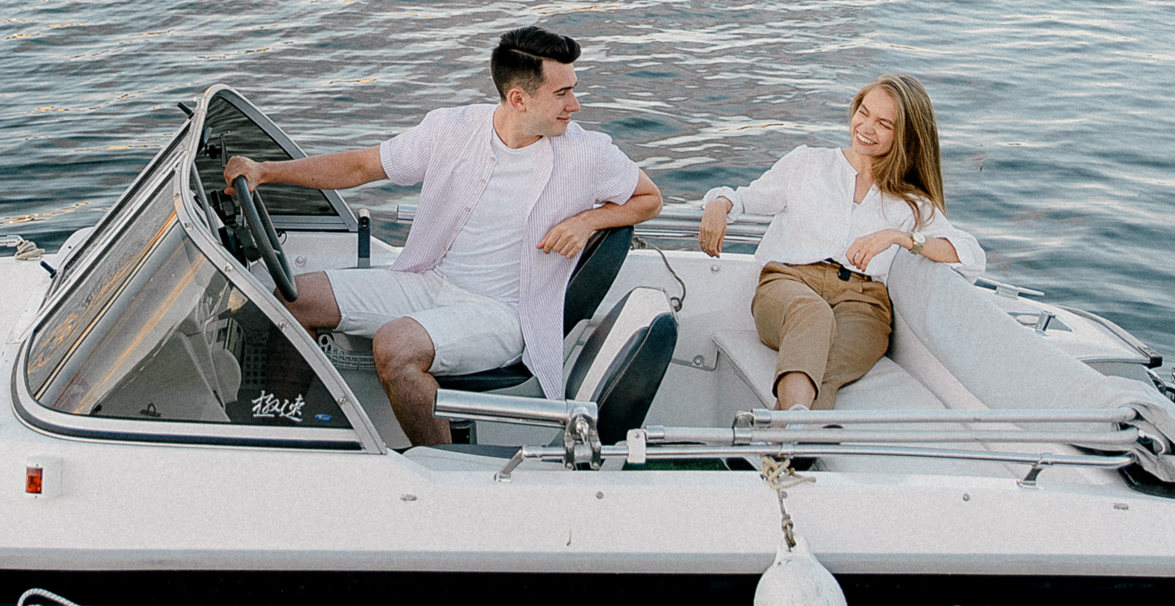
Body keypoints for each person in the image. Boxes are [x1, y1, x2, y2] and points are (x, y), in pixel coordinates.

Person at [223, 26, 662, 445]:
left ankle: (441, 464)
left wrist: (587, 221)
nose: (576, 105)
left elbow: (649, 198)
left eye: (573, 89)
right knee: (292, 299)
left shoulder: (588, 153)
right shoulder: (452, 129)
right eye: (563, 93)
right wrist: (267, 171)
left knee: (394, 345)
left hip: (505, 312)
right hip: (429, 280)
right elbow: (361, 166)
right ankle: (278, 421)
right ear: (518, 99)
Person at [696, 73, 984, 412]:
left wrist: (899, 237)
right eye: (863, 112)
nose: (866, 127)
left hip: (864, 304)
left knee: (827, 370)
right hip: (789, 283)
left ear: (904, 135)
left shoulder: (912, 203)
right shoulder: (809, 163)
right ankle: (788, 437)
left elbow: (970, 257)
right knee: (812, 314)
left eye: (883, 123)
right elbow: (746, 198)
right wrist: (719, 204)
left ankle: (784, 440)